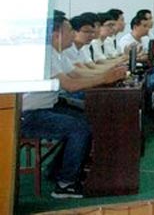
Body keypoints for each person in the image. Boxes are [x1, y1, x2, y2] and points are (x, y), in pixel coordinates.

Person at [20, 12, 126, 198]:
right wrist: (104, 77)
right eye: (70, 30)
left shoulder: (57, 53)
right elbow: (70, 85)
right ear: (56, 34)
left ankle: (57, 170)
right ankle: (65, 184)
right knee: (79, 129)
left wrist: (109, 74)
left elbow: (78, 75)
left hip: (47, 107)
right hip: (29, 115)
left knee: (87, 119)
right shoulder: (45, 55)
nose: (73, 34)